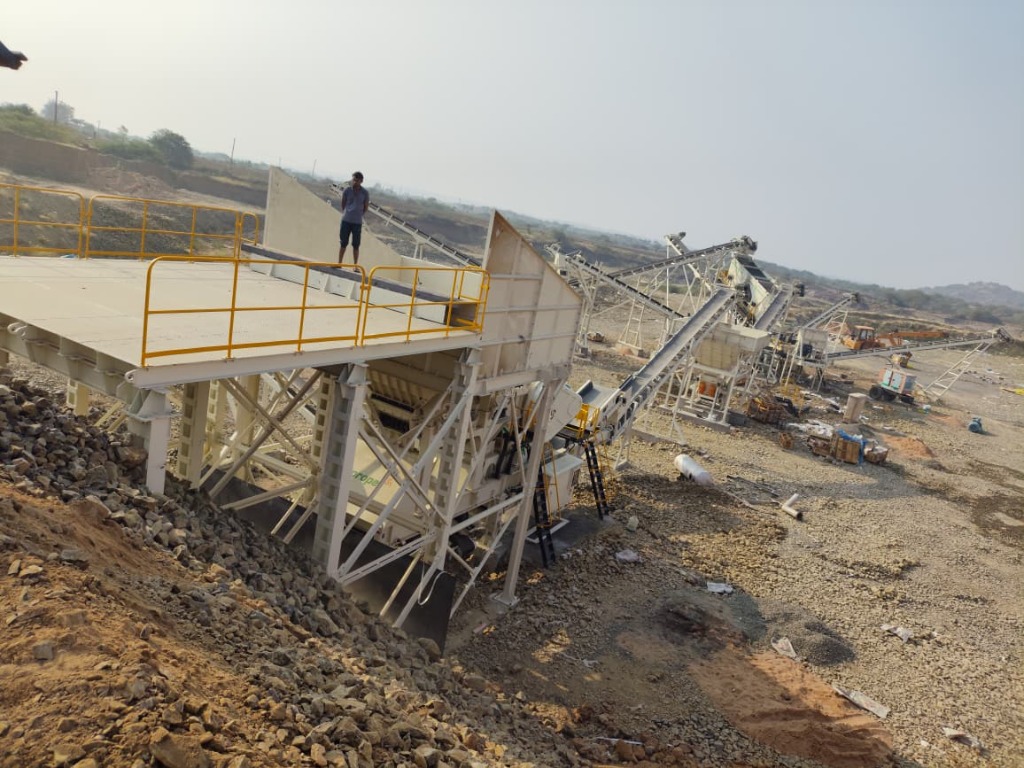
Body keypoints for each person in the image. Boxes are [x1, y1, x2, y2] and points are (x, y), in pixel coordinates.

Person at [339, 171, 369, 264]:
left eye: (357, 180)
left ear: (361, 181)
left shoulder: (365, 193)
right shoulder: (347, 191)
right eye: (354, 180)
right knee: (343, 242)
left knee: (356, 245)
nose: (355, 182)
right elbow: (343, 204)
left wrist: (358, 214)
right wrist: (347, 212)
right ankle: (339, 263)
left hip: (357, 222)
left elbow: (365, 207)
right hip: (346, 220)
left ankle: (355, 265)